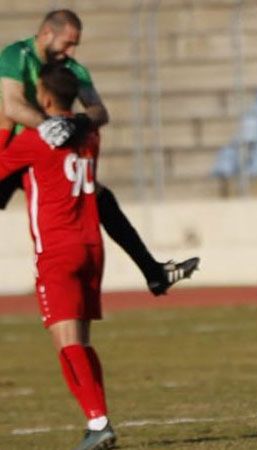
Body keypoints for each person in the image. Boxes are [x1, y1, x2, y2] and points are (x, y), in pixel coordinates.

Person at [0, 8, 198, 296]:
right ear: (46, 34)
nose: (71, 51)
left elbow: (99, 111)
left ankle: (153, 272)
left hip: (43, 155)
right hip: (15, 151)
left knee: (100, 197)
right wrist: (49, 126)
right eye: (67, 43)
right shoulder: (17, 55)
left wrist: (78, 121)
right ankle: (154, 272)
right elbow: (13, 106)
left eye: (75, 44)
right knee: (98, 197)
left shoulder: (71, 69)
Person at [0, 62, 115, 450]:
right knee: (79, 339)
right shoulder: (89, 137)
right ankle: (96, 419)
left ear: (43, 97)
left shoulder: (35, 141)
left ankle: (98, 421)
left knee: (66, 343)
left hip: (57, 249)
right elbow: (92, 120)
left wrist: (4, 123)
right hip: (91, 246)